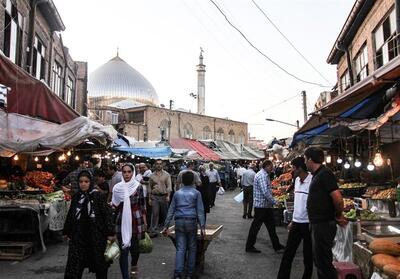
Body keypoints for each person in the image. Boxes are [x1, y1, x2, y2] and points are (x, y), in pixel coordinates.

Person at [304, 147, 347, 279]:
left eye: (305, 159)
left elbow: (338, 199)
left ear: (310, 160)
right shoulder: (318, 175)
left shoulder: (325, 174)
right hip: (318, 224)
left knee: (323, 261)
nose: (305, 162)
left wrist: (338, 215)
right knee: (320, 260)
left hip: (323, 224)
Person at [63, 170, 115, 279]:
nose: (83, 184)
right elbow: (71, 214)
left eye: (86, 181)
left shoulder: (97, 196)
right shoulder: (77, 196)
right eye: (81, 181)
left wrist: (110, 232)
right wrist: (67, 231)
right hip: (78, 236)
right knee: (74, 265)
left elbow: (107, 214)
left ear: (90, 182)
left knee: (100, 266)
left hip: (95, 235)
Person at [162, 171, 206, 279]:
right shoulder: (196, 193)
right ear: (192, 181)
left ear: (181, 181)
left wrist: (166, 226)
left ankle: (178, 274)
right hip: (191, 221)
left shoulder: (177, 193)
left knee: (180, 248)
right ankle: (190, 274)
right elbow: (200, 211)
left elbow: (171, 210)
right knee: (192, 247)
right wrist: (202, 227)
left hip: (179, 222)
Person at [277, 157, 313, 279]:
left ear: (300, 168)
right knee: (288, 253)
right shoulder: (297, 180)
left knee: (308, 255)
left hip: (308, 223)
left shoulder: (313, 181)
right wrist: (292, 220)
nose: (292, 170)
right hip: (296, 222)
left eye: (293, 168)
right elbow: (298, 203)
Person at [112, 163, 147, 279]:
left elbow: (142, 205)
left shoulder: (138, 186)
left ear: (133, 173)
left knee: (135, 249)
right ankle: (125, 277)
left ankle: (133, 265)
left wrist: (145, 221)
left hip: (136, 220)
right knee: (124, 250)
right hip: (121, 220)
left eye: (129, 172)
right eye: (124, 172)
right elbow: (114, 206)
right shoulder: (117, 188)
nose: (126, 174)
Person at [245, 160, 284, 253]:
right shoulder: (262, 175)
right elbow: (265, 191)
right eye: (271, 167)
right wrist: (274, 202)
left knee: (271, 227)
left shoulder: (264, 174)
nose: (272, 168)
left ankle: (277, 246)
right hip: (261, 207)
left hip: (265, 206)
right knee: (256, 227)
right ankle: (249, 246)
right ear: (266, 166)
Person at [149, 159, 172, 236]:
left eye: (160, 164)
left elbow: (169, 186)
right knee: (155, 213)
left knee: (165, 213)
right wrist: (149, 198)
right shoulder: (151, 175)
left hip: (164, 196)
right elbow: (150, 187)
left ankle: (166, 229)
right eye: (157, 164)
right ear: (155, 165)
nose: (158, 165)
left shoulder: (167, 175)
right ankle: (153, 230)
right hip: (155, 196)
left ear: (163, 165)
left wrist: (168, 196)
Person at [135, 163, 152, 229]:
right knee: (142, 211)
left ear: (146, 167)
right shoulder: (137, 176)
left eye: (143, 167)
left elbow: (151, 182)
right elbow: (139, 183)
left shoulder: (150, 173)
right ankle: (142, 225)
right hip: (140, 196)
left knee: (148, 211)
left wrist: (145, 182)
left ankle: (148, 226)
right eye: (140, 167)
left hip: (148, 195)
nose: (142, 169)